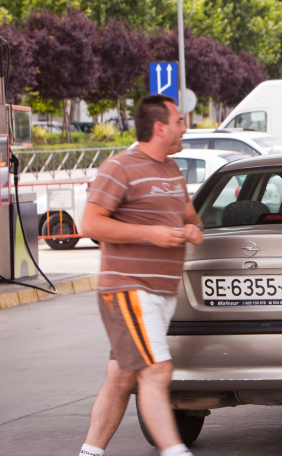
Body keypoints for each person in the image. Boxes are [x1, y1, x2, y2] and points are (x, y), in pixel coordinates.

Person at [78, 94, 203, 456]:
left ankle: (89, 453)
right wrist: (151, 234)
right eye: (180, 121)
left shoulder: (171, 170)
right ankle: (175, 452)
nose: (185, 127)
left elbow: (190, 218)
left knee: (121, 376)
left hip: (162, 292)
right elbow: (91, 223)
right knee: (156, 370)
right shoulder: (120, 167)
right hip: (130, 289)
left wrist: (193, 230)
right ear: (159, 127)